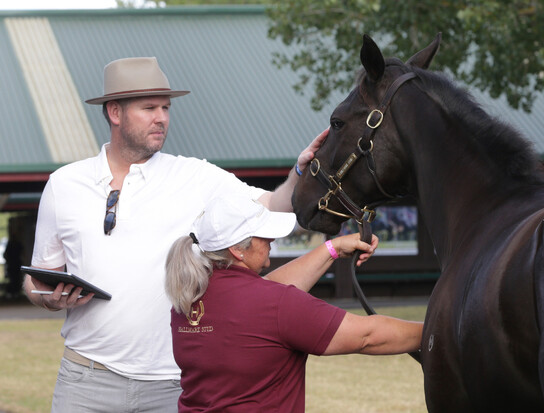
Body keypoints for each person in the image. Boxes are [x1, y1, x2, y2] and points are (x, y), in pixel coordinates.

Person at [23, 57, 337, 412]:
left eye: (166, 108)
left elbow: (270, 208)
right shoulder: (64, 184)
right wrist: (47, 298)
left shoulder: (195, 176)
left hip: (173, 384)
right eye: (149, 108)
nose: (162, 117)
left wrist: (299, 172)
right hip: (85, 379)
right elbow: (37, 278)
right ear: (114, 112)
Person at [166, 194, 423, 412]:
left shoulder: (187, 299)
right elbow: (368, 335)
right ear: (237, 250)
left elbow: (267, 294)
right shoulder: (273, 304)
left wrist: (331, 249)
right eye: (262, 235)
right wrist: (441, 329)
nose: (271, 240)